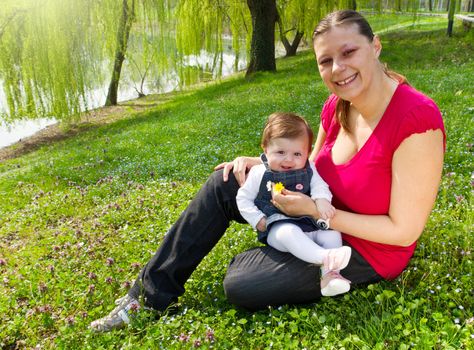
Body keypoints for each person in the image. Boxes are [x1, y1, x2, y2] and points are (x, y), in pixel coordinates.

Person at [90, 9, 445, 332]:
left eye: (348, 52)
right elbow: (308, 168)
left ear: (376, 47)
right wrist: (263, 166)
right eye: (326, 60)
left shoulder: (417, 121)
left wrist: (315, 213)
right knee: (227, 180)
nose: (337, 68)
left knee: (242, 283)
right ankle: (146, 298)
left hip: (366, 249)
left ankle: (284, 249)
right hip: (313, 216)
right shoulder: (337, 106)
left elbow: (403, 232)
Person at [236, 112, 351, 297]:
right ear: (265, 149)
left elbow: (320, 186)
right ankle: (326, 258)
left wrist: (321, 201)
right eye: (280, 152)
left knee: (331, 233)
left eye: (297, 154)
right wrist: (258, 220)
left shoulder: (309, 168)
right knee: (288, 232)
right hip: (278, 227)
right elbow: (243, 198)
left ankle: (330, 277)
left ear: (307, 152)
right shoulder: (259, 173)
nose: (289, 160)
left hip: (308, 222)